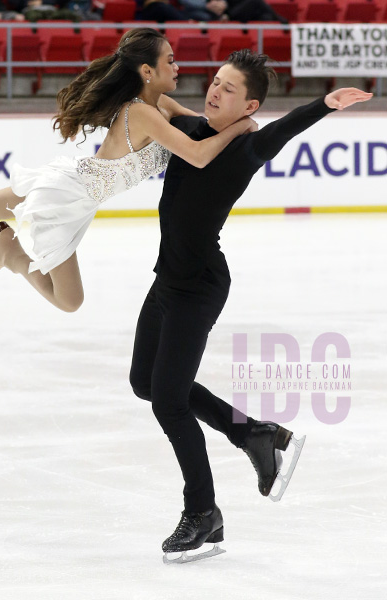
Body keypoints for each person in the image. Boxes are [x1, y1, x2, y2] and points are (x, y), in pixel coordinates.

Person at [128, 49, 372, 562]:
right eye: (216, 81)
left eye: (229, 89)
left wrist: (324, 104)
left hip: (200, 287)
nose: (215, 91)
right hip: (166, 280)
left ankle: (203, 514)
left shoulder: (247, 148)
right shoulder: (192, 128)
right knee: (145, 383)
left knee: (168, 401)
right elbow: (152, 99)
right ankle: (254, 432)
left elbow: (282, 131)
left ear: (250, 105)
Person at [0, 28, 254, 314]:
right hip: (68, 198)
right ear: (147, 71)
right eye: (169, 59)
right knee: (70, 300)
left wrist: (236, 117)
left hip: (73, 186)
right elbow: (199, 154)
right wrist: (245, 126)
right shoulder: (141, 112)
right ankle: (11, 253)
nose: (177, 65)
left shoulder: (162, 107)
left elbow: (205, 129)